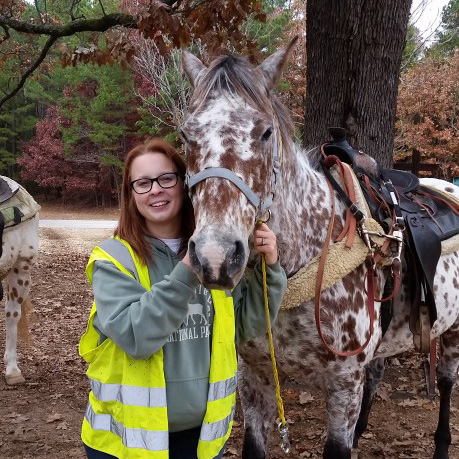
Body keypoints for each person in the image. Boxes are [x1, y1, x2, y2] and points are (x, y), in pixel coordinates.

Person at [79, 138, 287, 459]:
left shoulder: (214, 253)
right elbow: (137, 337)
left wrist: (270, 268)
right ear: (131, 195)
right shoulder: (114, 258)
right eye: (143, 183)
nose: (155, 190)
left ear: (186, 184)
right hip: (127, 442)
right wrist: (190, 266)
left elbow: (245, 325)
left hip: (202, 440)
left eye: (166, 179)